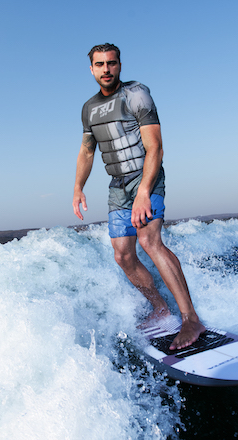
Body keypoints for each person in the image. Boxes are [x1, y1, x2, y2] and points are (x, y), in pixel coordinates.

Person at [72, 43, 205, 350]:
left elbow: (155, 146)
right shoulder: (88, 108)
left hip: (145, 177)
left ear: (119, 65)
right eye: (100, 64)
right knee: (123, 255)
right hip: (117, 186)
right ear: (91, 69)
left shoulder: (136, 93)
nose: (106, 69)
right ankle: (160, 308)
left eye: (112, 63)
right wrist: (78, 187)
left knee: (150, 242)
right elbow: (86, 151)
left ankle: (190, 319)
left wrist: (144, 192)